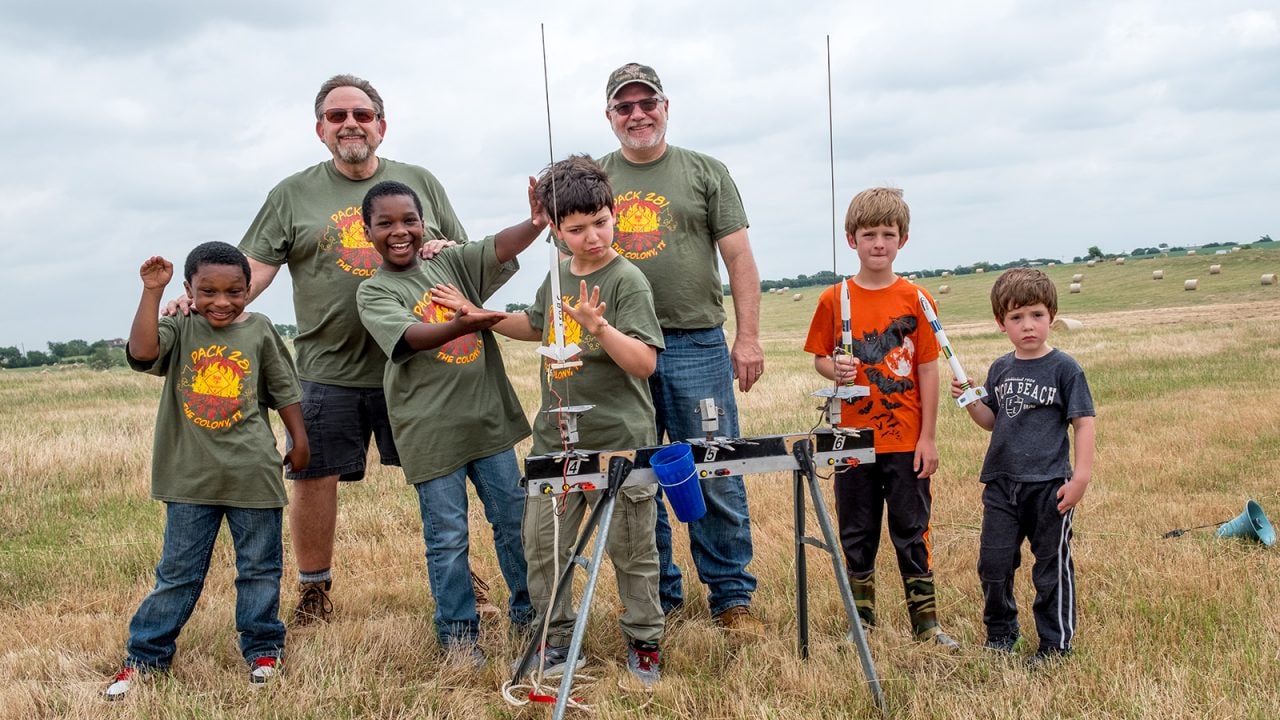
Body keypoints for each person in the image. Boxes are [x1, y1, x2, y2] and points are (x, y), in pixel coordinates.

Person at [170, 74, 507, 625]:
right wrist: (208, 302)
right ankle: (314, 588)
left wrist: (449, 250)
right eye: (336, 116)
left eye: (361, 114)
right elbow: (254, 268)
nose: (350, 124)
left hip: (420, 365)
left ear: (381, 124)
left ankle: (460, 574)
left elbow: (457, 253)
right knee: (314, 475)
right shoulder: (292, 194)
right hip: (330, 365)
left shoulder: (419, 180)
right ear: (320, 130)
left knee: (443, 469)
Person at [446, 156, 665, 686]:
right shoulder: (556, 273)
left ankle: (645, 641)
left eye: (600, 222)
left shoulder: (627, 279)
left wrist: (600, 328)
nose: (592, 237)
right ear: (556, 230)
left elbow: (645, 363)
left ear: (614, 214)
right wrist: (482, 317)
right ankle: (560, 641)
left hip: (619, 441)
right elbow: (539, 325)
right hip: (554, 441)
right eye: (576, 228)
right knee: (544, 550)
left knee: (632, 551)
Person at [597, 62, 764, 632]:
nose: (638, 114)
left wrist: (747, 336)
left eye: (648, 103)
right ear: (610, 116)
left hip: (696, 343)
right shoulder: (594, 177)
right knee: (640, 474)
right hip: (621, 348)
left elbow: (739, 257)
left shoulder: (705, 172)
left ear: (666, 108)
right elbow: (568, 251)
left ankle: (732, 598)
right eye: (625, 106)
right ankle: (659, 598)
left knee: (713, 467)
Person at [106, 242, 310, 699]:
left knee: (259, 569)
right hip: (189, 476)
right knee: (177, 573)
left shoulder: (259, 330)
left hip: (252, 473)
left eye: (234, 291)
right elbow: (141, 353)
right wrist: (152, 294)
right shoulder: (179, 326)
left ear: (248, 288)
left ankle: (262, 650)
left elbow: (283, 389)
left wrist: (300, 439)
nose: (222, 301)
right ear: (190, 290)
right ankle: (145, 658)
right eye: (209, 291)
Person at [355, 180, 545, 664]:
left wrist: (538, 222)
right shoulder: (374, 291)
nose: (400, 232)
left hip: (489, 424)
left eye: (409, 221)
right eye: (386, 223)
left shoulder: (450, 263)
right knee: (448, 538)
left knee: (514, 522)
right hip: (430, 433)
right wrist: (462, 322)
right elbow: (411, 337)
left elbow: (496, 248)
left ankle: (532, 618)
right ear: (367, 231)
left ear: (425, 225)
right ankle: (459, 636)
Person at [803, 187, 959, 648]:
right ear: (851, 239)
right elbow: (820, 361)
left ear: (902, 240)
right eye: (868, 234)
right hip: (853, 440)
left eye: (887, 234)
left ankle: (926, 625)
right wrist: (837, 368)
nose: (878, 243)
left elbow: (927, 368)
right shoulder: (835, 299)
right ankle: (862, 624)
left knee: (912, 528)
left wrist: (927, 437)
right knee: (857, 529)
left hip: (905, 439)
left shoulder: (917, 298)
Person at [952, 267, 1096, 665]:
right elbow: (993, 422)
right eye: (1016, 317)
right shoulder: (1001, 369)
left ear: (1051, 315)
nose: (1027, 325)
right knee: (993, 564)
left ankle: (1055, 643)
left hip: (1050, 485)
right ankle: (1001, 632)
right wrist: (970, 401)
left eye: (1035, 315)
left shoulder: (1065, 369)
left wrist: (1080, 477)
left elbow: (1083, 422)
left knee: (1051, 567)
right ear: (1001, 323)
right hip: (1001, 484)